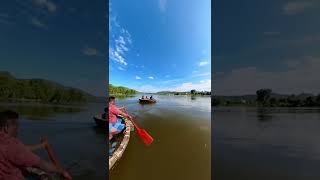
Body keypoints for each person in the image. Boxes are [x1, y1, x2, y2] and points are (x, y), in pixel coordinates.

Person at [0, 110, 72, 180]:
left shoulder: (7, 144)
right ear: (6, 127)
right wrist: (62, 170)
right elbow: (41, 164)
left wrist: (41, 145)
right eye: (16, 127)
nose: (17, 130)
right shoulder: (12, 144)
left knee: (33, 170)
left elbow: (21, 150)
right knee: (46, 175)